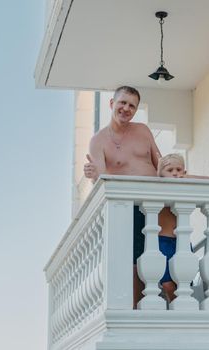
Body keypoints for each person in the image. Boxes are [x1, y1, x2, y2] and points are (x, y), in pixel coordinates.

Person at [83, 86, 161, 308]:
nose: (126, 109)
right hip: (129, 207)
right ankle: (136, 306)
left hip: (157, 202)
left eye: (132, 106)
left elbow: (160, 163)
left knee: (166, 251)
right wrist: (93, 176)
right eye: (122, 103)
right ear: (111, 104)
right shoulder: (98, 141)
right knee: (135, 258)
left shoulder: (143, 131)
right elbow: (102, 183)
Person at [156, 153, 209, 302]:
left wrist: (188, 177)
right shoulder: (157, 187)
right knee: (167, 284)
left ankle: (183, 309)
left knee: (184, 281)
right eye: (170, 170)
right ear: (160, 174)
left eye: (179, 170)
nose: (175, 173)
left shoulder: (184, 186)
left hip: (183, 241)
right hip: (163, 240)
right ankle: (176, 308)